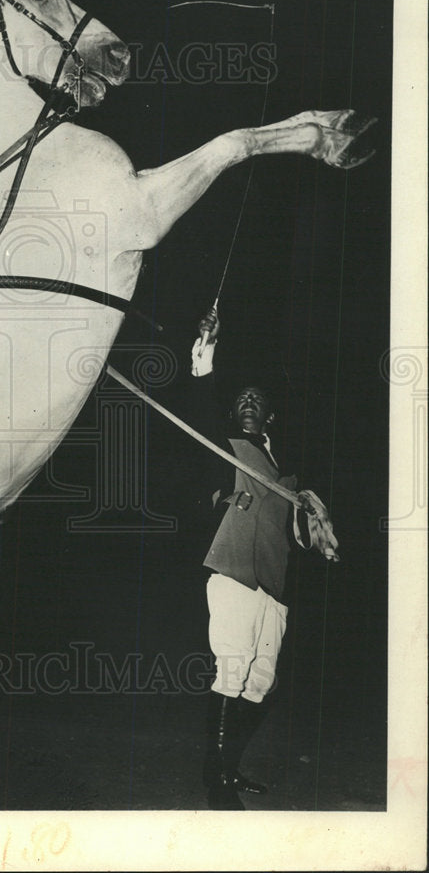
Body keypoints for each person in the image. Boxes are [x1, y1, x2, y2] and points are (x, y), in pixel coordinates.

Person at [189, 309, 339, 810]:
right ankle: (217, 783)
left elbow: (302, 537)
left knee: (261, 682)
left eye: (258, 400)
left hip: (273, 586)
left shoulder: (290, 477)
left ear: (270, 416)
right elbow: (202, 397)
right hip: (232, 571)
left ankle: (229, 767)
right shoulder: (224, 444)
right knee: (231, 671)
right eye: (241, 400)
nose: (248, 403)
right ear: (233, 415)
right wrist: (206, 345)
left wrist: (316, 524)